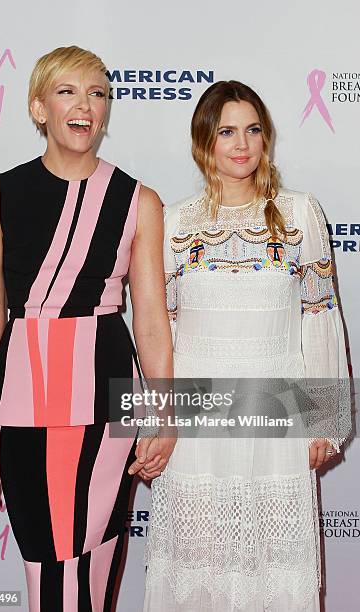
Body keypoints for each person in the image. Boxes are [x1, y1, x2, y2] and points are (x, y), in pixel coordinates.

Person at [0, 45, 173, 612]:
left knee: (94, 555)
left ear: (106, 111)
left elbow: (150, 318)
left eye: (98, 94)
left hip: (107, 397)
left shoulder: (138, 201)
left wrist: (165, 412)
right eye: (67, 92)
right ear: (39, 108)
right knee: (46, 558)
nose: (85, 106)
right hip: (21, 398)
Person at [143, 81, 351, 611]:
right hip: (197, 422)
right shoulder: (172, 222)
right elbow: (156, 331)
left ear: (267, 138)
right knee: (196, 576)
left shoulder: (301, 214)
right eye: (227, 131)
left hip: (276, 416)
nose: (242, 144)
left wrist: (325, 420)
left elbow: (321, 318)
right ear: (203, 141)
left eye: (253, 130)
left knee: (274, 580)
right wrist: (156, 422)